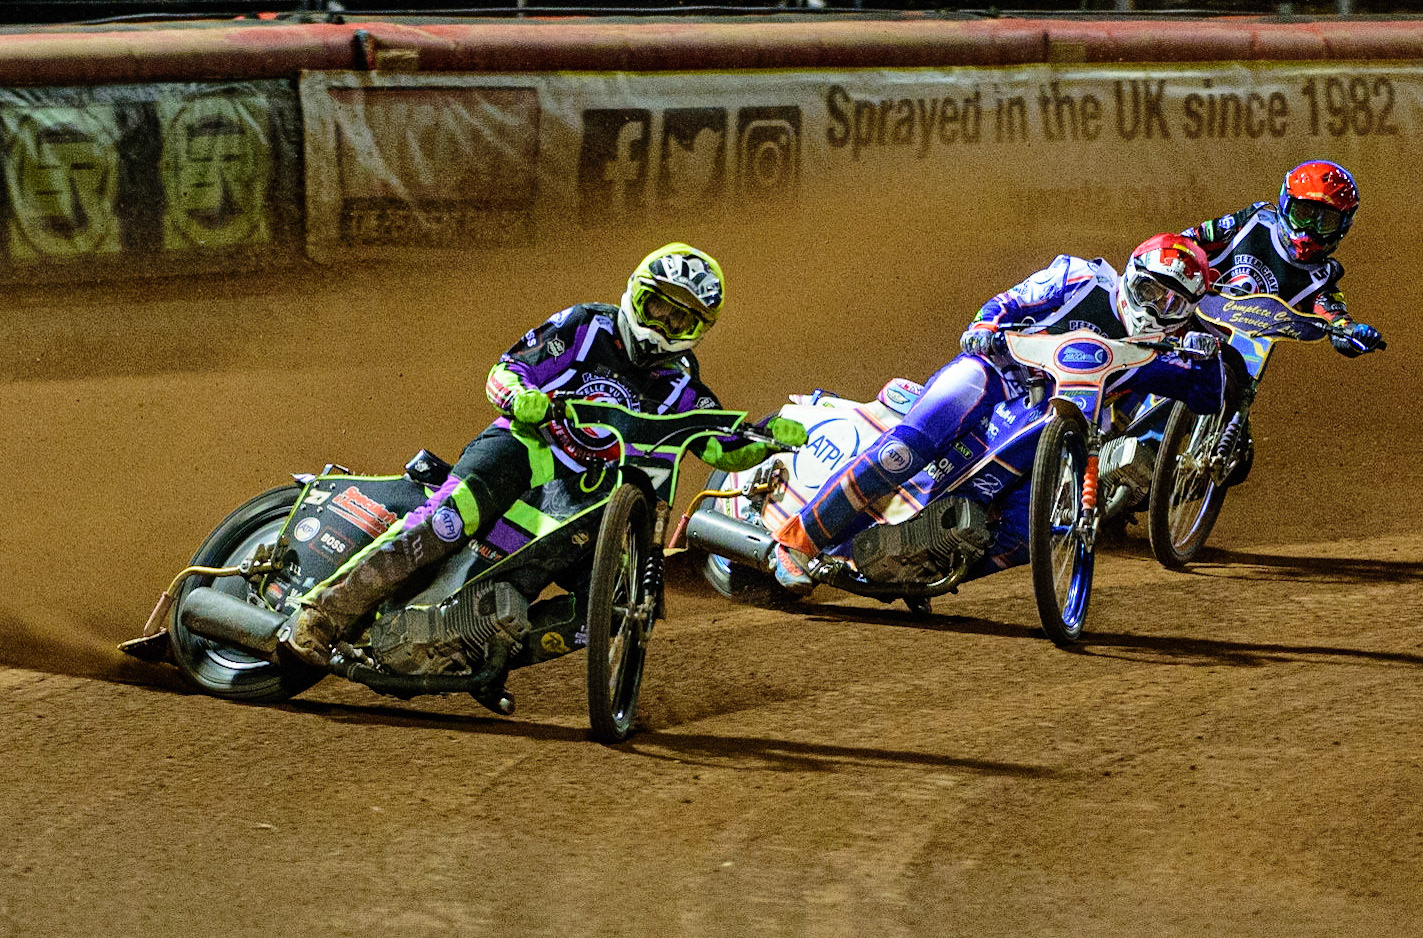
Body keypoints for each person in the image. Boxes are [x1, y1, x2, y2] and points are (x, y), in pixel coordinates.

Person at [284, 242, 806, 665]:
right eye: (658, 306)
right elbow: (506, 370)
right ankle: (322, 614)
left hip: (586, 502)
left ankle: (477, 643)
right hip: (525, 452)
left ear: (698, 330)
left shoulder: (683, 383)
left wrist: (766, 436)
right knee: (446, 521)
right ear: (635, 294)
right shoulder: (586, 326)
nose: (664, 323)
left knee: (605, 611)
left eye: (682, 319)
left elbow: (717, 439)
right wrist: (520, 396)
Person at [768, 234, 1229, 590]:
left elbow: (1211, 398)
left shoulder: (1164, 354)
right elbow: (1010, 301)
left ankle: (925, 569)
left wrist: (1211, 355)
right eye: (1150, 290)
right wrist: (985, 326)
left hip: (1055, 432)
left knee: (1029, 535)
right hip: (993, 375)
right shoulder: (1082, 277)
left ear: (1187, 310)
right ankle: (797, 542)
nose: (1155, 308)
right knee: (904, 452)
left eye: (1172, 303)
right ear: (1131, 276)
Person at [1182, 159, 1383, 358]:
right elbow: (1189, 240)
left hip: (1237, 354)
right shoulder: (1252, 221)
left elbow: (1338, 321)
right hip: (1179, 320)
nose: (1308, 231)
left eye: (1326, 222)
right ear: (1285, 204)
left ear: (1344, 226)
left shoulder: (1320, 278)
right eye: (1303, 214)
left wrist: (1354, 333)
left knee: (1237, 387)